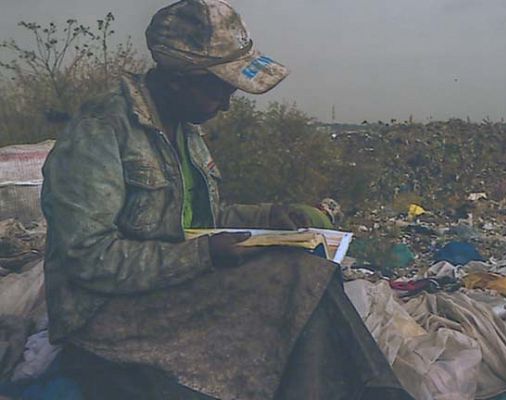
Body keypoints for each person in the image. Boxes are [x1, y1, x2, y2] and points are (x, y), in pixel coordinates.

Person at [40, 0, 413, 399]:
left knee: (306, 269)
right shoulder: (102, 129)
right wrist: (202, 256)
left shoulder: (183, 128)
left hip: (166, 285)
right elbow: (87, 258)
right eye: (218, 90)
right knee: (294, 279)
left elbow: (195, 217)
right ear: (177, 80)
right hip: (103, 314)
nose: (226, 103)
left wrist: (270, 216)